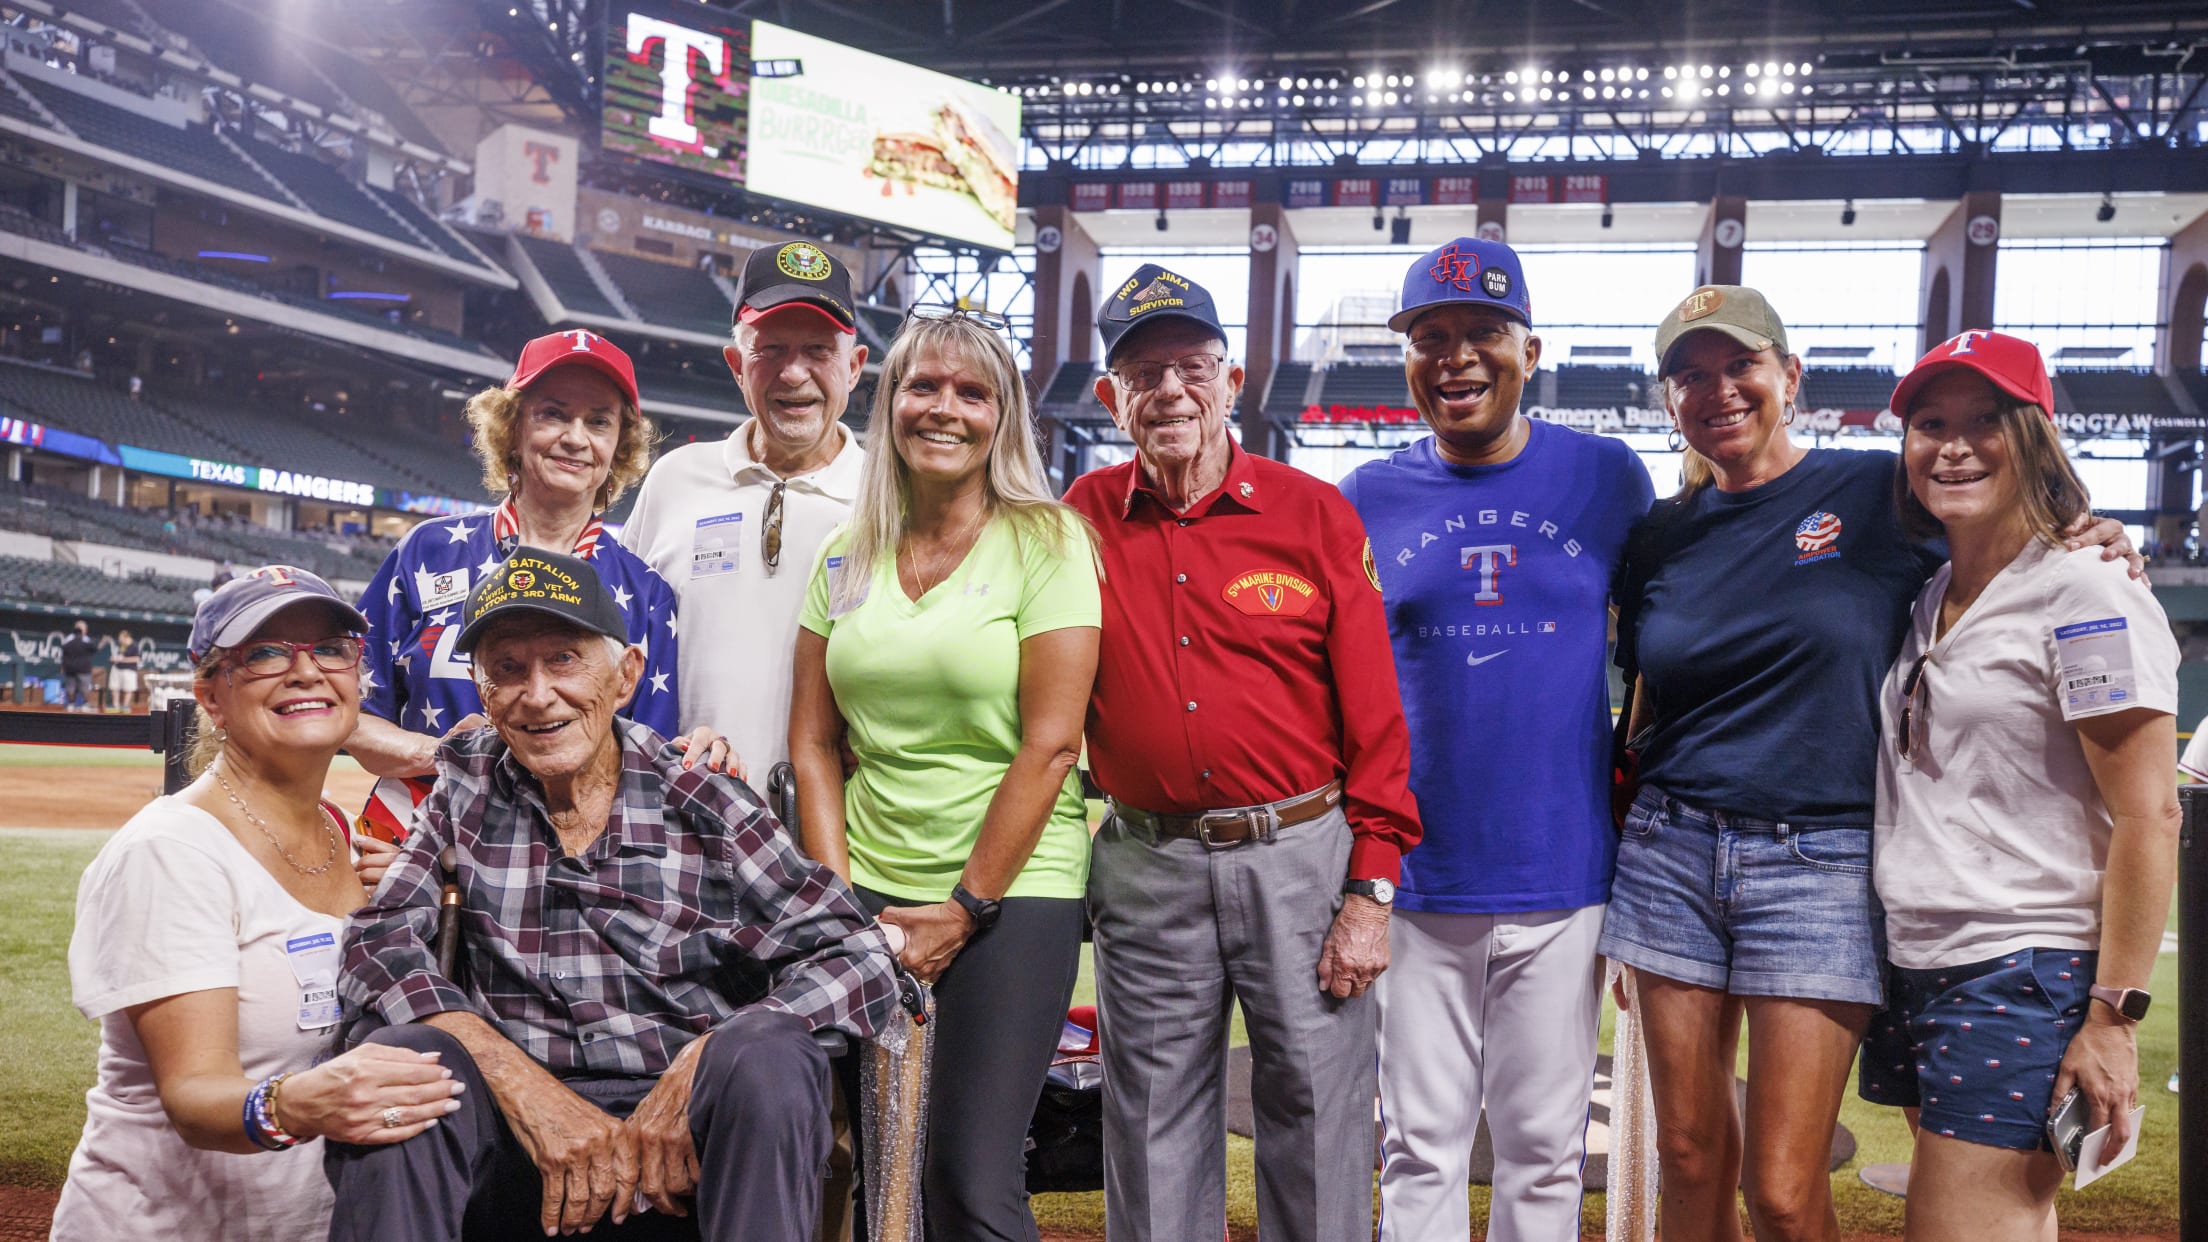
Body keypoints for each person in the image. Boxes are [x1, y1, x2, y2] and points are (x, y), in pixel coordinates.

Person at [1604, 288, 2139, 1242]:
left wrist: (2093, 531)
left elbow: (2002, 518)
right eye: (1691, 375)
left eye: (1741, 367)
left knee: (1780, 1186)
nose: (1718, 390)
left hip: (1820, 861)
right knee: (1686, 1158)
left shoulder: (1876, 492)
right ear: (1669, 398)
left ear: (1789, 378)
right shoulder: (1659, 534)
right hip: (1670, 851)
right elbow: (1645, 700)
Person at [329, 548, 899, 1241]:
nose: (537, 694)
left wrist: (710, 1055)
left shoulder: (701, 795)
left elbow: (858, 953)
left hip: (689, 1141)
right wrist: (515, 1079)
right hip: (517, 1131)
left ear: (626, 675)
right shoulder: (466, 784)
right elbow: (376, 942)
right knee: (405, 1060)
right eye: (508, 669)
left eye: (564, 660)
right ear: (482, 690)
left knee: (771, 1056)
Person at [1061, 266, 1421, 1242]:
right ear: (1111, 397)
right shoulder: (1076, 519)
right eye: (1143, 373)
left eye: (1189, 366)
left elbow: (1377, 721)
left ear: (1232, 379)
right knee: (1150, 1129)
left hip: (1302, 854)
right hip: (1146, 857)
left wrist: (1370, 889)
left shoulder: (1313, 513)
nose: (1169, 390)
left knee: (1317, 1117)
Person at [1340, 238, 1654, 1241]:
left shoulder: (1606, 478)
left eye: (1483, 334)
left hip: (1563, 872)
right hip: (1416, 877)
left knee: (1543, 1148)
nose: (1456, 357)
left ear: (1530, 349)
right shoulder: (1365, 496)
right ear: (1408, 361)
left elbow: (1669, 634)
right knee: (1420, 1147)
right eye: (1430, 338)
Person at [1858, 331, 2178, 1239]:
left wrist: (2114, 1018)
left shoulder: (2087, 589)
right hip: (1920, 959)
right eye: (1930, 424)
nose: (1953, 445)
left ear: (2034, 436)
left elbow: (2150, 813)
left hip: (2020, 970)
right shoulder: (1932, 594)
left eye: (1984, 421)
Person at [789, 305, 1101, 1238]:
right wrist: (838, 903)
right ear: (889, 405)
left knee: (970, 1174)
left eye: (973, 392)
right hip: (869, 897)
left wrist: (966, 909)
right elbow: (811, 739)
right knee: (891, 1171)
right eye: (923, 386)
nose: (944, 409)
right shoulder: (846, 554)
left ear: (1002, 418)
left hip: (1011, 893)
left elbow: (1052, 744)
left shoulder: (1047, 541)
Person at [51, 566, 465, 1241]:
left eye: (329, 648)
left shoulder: (341, 834)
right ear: (210, 695)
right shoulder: (171, 852)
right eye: (266, 652)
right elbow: (195, 1098)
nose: (305, 671)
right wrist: (299, 1105)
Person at [348, 329, 694, 850]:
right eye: (553, 413)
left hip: (559, 864)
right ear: (512, 429)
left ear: (617, 446)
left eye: (598, 421)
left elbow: (645, 762)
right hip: (412, 840)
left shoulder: (645, 593)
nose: (576, 437)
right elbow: (349, 714)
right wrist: (442, 755)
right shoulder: (428, 551)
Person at [624, 240, 870, 781]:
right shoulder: (674, 479)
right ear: (737, 365)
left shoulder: (891, 499)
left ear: (853, 367)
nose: (793, 373)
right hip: (681, 823)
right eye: (771, 349)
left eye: (819, 351)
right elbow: (618, 653)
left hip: (840, 830)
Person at [59, 618, 96, 711]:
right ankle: (72, 704)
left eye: (84, 628)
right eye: (82, 628)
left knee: (80, 687)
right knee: (74, 687)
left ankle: (82, 705)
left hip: (76, 668)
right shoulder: (70, 639)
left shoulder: (86, 639)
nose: (84, 630)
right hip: (78, 668)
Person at [107, 627, 141, 712]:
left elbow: (137, 659)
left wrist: (122, 659)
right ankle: (116, 705)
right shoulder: (121, 646)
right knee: (114, 687)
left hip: (129, 670)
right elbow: (118, 656)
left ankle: (125, 705)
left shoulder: (134, 645)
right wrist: (115, 658)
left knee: (128, 688)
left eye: (121, 637)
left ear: (126, 636)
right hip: (117, 668)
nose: (119, 639)